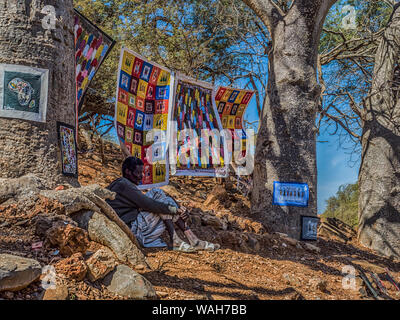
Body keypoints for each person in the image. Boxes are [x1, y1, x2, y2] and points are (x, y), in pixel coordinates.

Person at [106, 156, 220, 252]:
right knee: (159, 196)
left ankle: (189, 240)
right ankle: (185, 240)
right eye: (138, 173)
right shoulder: (123, 184)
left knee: (161, 197)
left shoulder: (124, 185)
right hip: (131, 230)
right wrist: (176, 210)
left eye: (142, 173)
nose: (141, 176)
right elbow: (149, 204)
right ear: (127, 172)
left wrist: (178, 207)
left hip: (135, 227)